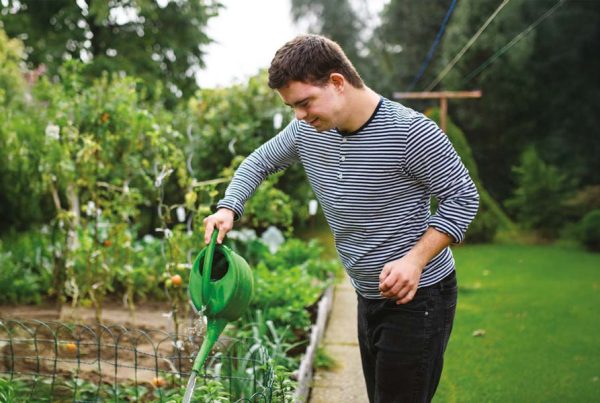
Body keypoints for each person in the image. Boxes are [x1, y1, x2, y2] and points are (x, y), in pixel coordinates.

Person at [203, 34, 479, 403]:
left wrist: (414, 260)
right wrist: (228, 207)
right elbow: (259, 161)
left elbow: (462, 197)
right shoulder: (307, 131)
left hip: (420, 297)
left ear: (337, 82)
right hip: (367, 292)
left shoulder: (410, 132)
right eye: (292, 108)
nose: (299, 116)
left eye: (304, 103)